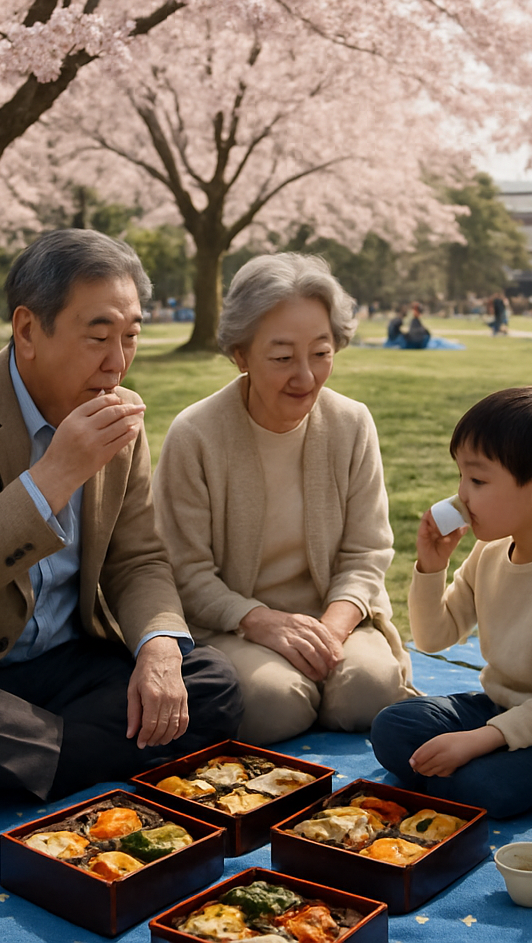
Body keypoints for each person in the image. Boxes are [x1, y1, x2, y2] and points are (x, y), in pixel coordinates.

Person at [0, 229, 243, 832]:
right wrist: (52, 478)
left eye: (130, 337)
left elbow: (137, 560)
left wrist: (159, 648)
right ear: (27, 330)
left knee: (210, 683)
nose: (117, 362)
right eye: (98, 337)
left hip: (62, 662)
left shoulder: (120, 416)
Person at [153, 252, 416, 745]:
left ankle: (330, 681)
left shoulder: (352, 422)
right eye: (281, 358)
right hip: (233, 622)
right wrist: (260, 622)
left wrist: (330, 633)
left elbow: (367, 552)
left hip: (335, 614)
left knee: (370, 690)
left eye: (321, 353)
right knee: (272, 705)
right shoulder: (196, 434)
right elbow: (183, 571)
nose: (306, 377)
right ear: (240, 355)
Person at [370, 386, 532, 819]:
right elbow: (433, 638)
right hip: (499, 708)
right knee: (393, 727)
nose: (461, 496)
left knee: (479, 784)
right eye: (462, 478)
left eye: (478, 480)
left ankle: (465, 774)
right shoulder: (490, 550)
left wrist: (475, 742)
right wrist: (431, 569)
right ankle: (455, 773)